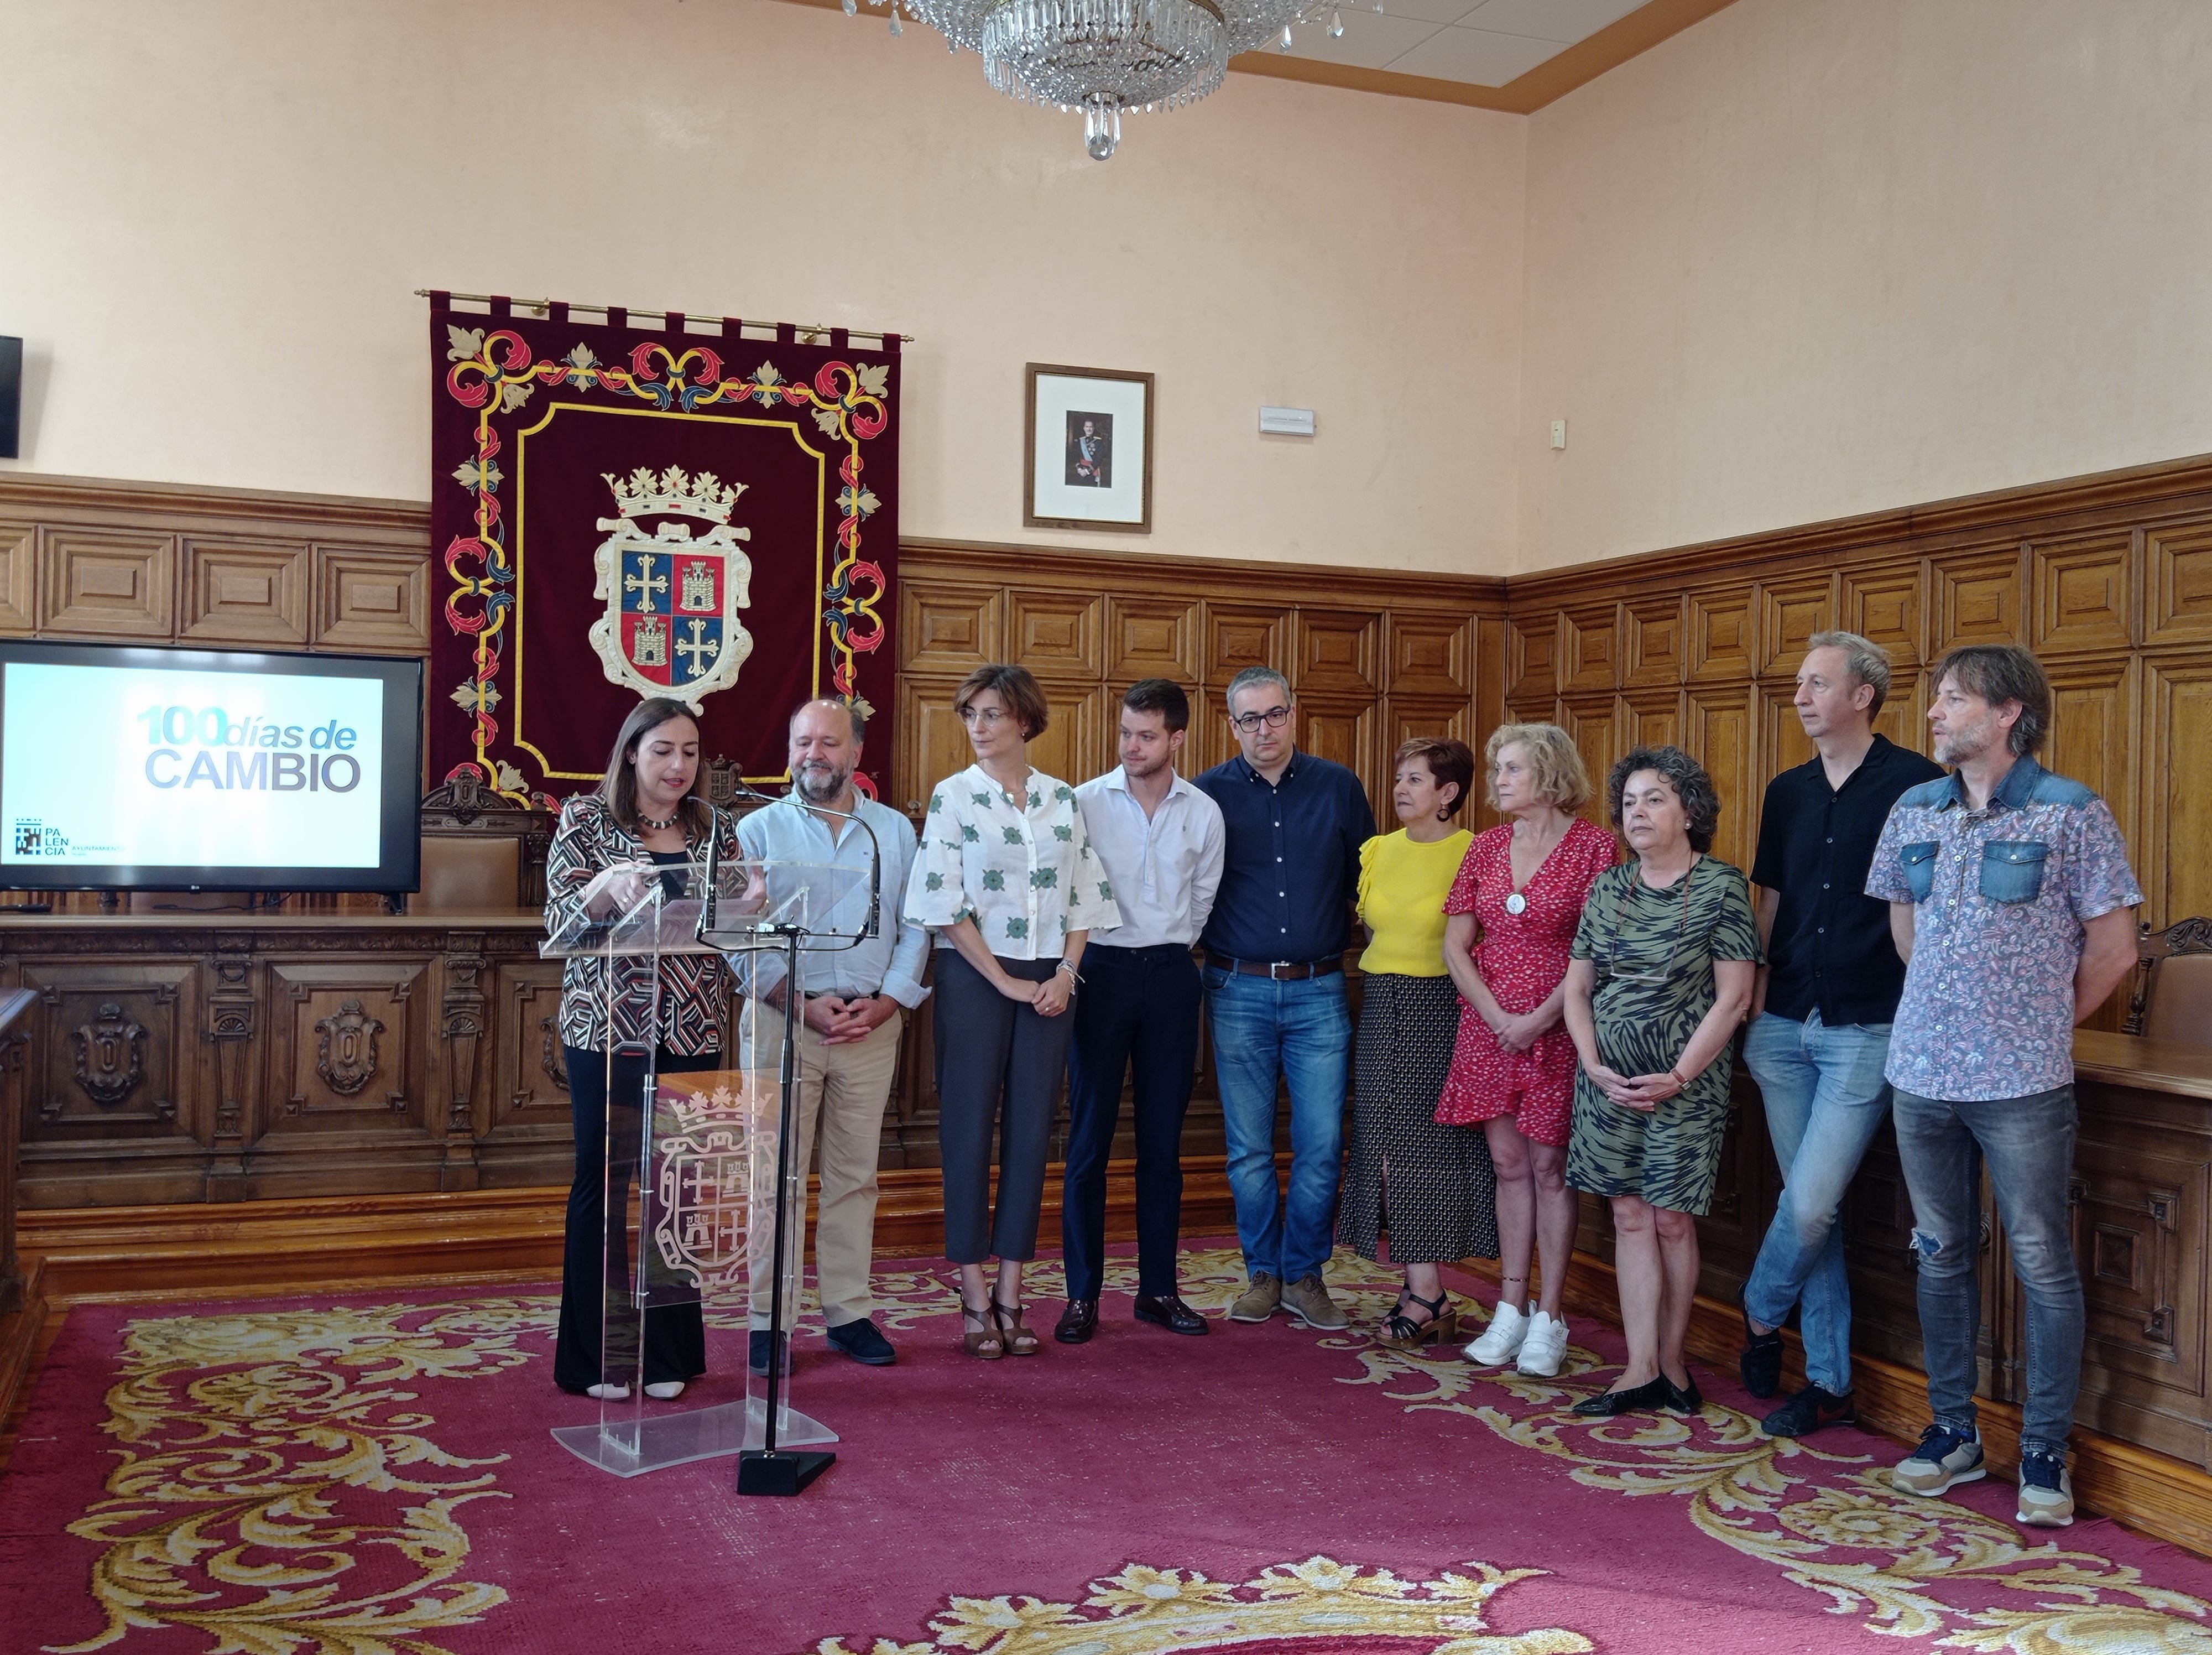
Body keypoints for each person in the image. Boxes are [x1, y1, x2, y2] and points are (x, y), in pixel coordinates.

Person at [1868, 644, 2141, 1529]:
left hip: (2023, 1082)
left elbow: (2114, 949)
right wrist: (1950, 1014)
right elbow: (1905, 930)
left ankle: (2044, 1451)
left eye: (1954, 701)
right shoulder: (1914, 809)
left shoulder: (2071, 814)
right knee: (1940, 1249)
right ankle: (1952, 1431)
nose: (1936, 715)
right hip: (1920, 1073)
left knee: (2040, 1259)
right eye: (1937, 701)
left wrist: (2036, 1026)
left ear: (2009, 712)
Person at [1737, 633, 1945, 1437]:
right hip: (1784, 1021)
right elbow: (1772, 901)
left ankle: (1758, 1314)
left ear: (1863, 695)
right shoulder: (1786, 791)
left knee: (1813, 1202)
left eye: (1816, 683)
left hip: (1869, 1024)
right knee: (1806, 1207)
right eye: (1798, 683)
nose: (1799, 695)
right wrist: (1753, 994)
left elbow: (1929, 908)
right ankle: (1828, 1382)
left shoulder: (1919, 786)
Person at [905, 663, 1118, 1359]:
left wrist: (1064, 973)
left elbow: (1085, 897)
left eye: (991, 714)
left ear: (1024, 720)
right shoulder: (953, 797)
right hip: (976, 977)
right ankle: (971, 1298)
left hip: (1051, 983)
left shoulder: (1062, 799)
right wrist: (1001, 980)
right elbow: (942, 904)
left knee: (1032, 1136)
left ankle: (1009, 1292)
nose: (978, 727)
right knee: (968, 1131)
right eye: (970, 714)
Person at [545, 695, 743, 1402]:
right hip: (607, 1030)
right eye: (663, 750)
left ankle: (668, 1354)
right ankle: (599, 1354)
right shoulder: (585, 822)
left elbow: (731, 926)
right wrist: (602, 888)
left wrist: (757, 907)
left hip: (693, 1028)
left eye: (690, 752)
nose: (678, 766)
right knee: (606, 1187)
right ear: (632, 751)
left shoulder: (716, 828)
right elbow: (559, 928)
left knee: (679, 1191)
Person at [1562, 746, 1761, 1417]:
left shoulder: (1721, 886)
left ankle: (1673, 1364)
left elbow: (1733, 998)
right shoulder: (1607, 887)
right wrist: (1591, 1061)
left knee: (1672, 1221)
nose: (1637, 812)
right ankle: (1637, 1365)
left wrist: (1677, 1074)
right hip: (1607, 1082)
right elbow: (1578, 990)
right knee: (1626, 1213)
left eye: (1654, 799)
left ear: (1689, 811)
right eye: (1628, 802)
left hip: (1686, 1083)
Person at [737, 697, 929, 1373]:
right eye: (801, 742)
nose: (813, 754)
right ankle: (770, 1320)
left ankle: (848, 1312)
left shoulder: (895, 832)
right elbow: (739, 936)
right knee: (774, 1176)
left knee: (854, 1178)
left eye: (827, 743)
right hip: (781, 1022)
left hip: (870, 1026)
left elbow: (917, 926)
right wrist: (799, 1002)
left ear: (855, 755)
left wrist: (889, 1002)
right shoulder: (756, 830)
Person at [1195, 665, 1376, 1331]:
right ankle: (1261, 1274)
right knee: (1246, 1148)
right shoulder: (1206, 794)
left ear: (1293, 714)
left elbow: (1371, 879)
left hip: (1319, 989)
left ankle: (1305, 1273)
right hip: (1236, 986)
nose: (1263, 729)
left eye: (1274, 715)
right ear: (1231, 722)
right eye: (1249, 719)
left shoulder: (1338, 786)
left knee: (1323, 1142)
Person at [1439, 724, 1615, 1378]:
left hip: (1561, 1028)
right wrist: (1496, 1016)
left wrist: (1539, 1019)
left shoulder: (1596, 846)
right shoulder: (1484, 848)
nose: (1499, 781)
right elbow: (1456, 945)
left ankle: (1551, 1313)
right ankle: (1509, 1306)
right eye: (1498, 769)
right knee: (1508, 1165)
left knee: (1549, 1169)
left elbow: (1596, 948)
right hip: (1488, 1027)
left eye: (1511, 768)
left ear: (1548, 773)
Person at [1057, 679, 1225, 1344]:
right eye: (1126, 732)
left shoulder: (1203, 812)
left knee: (1163, 1145)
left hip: (1173, 976)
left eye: (1147, 735)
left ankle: (1158, 1289)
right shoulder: (1085, 803)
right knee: (1088, 1142)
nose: (1132, 745)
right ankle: (1081, 1295)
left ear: (1177, 738)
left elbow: (1204, 898)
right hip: (1099, 971)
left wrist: (1171, 949)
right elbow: (1070, 889)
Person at [1337, 737, 1496, 1349]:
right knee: (1379, 1145)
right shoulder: (1376, 849)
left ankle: (1427, 1290)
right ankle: (1420, 1286)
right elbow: (1376, 926)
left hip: (1445, 1009)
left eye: (1415, 780)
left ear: (1448, 792)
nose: (1401, 789)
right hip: (1381, 1004)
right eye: (1399, 778)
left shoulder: (1476, 851)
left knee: (1424, 1150)